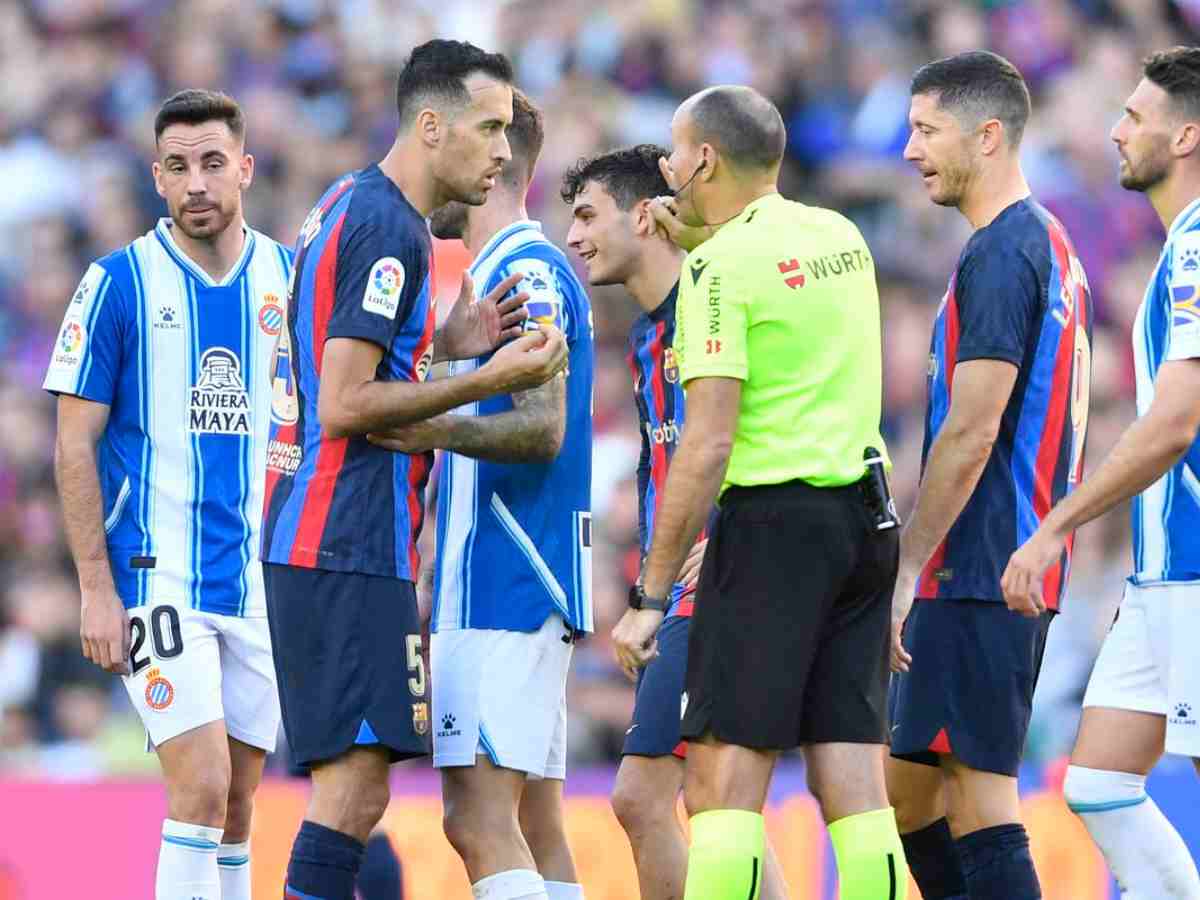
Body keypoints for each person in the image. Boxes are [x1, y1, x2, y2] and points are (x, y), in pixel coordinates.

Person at [258, 41, 567, 900]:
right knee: (353, 792)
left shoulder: (346, 202)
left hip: (333, 537)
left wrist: (438, 351)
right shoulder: (390, 226)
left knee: (355, 792)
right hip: (342, 537)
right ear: (431, 127)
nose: (504, 151)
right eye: (489, 128)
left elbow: (352, 371)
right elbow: (347, 404)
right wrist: (489, 378)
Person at [615, 84, 907, 900]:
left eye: (674, 151)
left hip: (774, 523)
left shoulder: (717, 266)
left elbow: (705, 442)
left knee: (722, 784)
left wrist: (649, 592)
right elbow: (772, 266)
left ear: (705, 158)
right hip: (866, 517)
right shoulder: (841, 235)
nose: (667, 167)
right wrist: (706, 236)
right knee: (852, 781)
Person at [45, 89, 290, 900]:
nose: (197, 183)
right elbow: (74, 444)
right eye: (178, 166)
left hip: (257, 580)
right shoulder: (116, 284)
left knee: (241, 803)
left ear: (244, 169)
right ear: (156, 176)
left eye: (213, 163)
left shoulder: (284, 280)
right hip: (157, 578)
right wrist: (94, 588)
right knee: (200, 784)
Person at [369, 89, 591, 900]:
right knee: (538, 824)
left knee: (476, 820)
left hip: (503, 570)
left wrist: (428, 428)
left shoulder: (523, 271)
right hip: (525, 571)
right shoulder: (509, 270)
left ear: (498, 162)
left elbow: (543, 428)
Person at [887, 51, 1093, 900]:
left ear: (989, 134)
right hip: (992, 562)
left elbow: (973, 431)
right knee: (907, 792)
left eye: (927, 129)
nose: (909, 150)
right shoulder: (1040, 242)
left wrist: (908, 563)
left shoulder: (1004, 252)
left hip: (979, 564)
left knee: (978, 799)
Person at [562, 145, 789, 900]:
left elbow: (752, 436)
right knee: (708, 801)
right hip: (680, 591)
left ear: (645, 214)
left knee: (645, 797)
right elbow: (673, 459)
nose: (573, 235)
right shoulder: (645, 335)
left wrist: (722, 540)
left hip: (725, 581)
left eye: (588, 214)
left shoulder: (713, 305)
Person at [1003, 46, 1200, 899]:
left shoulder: (1197, 249)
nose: (1117, 131)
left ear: (1186, 135)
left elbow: (1177, 422)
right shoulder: (1174, 250)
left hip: (1195, 573)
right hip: (1163, 576)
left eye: (1134, 116)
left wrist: (1056, 525)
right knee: (1097, 784)